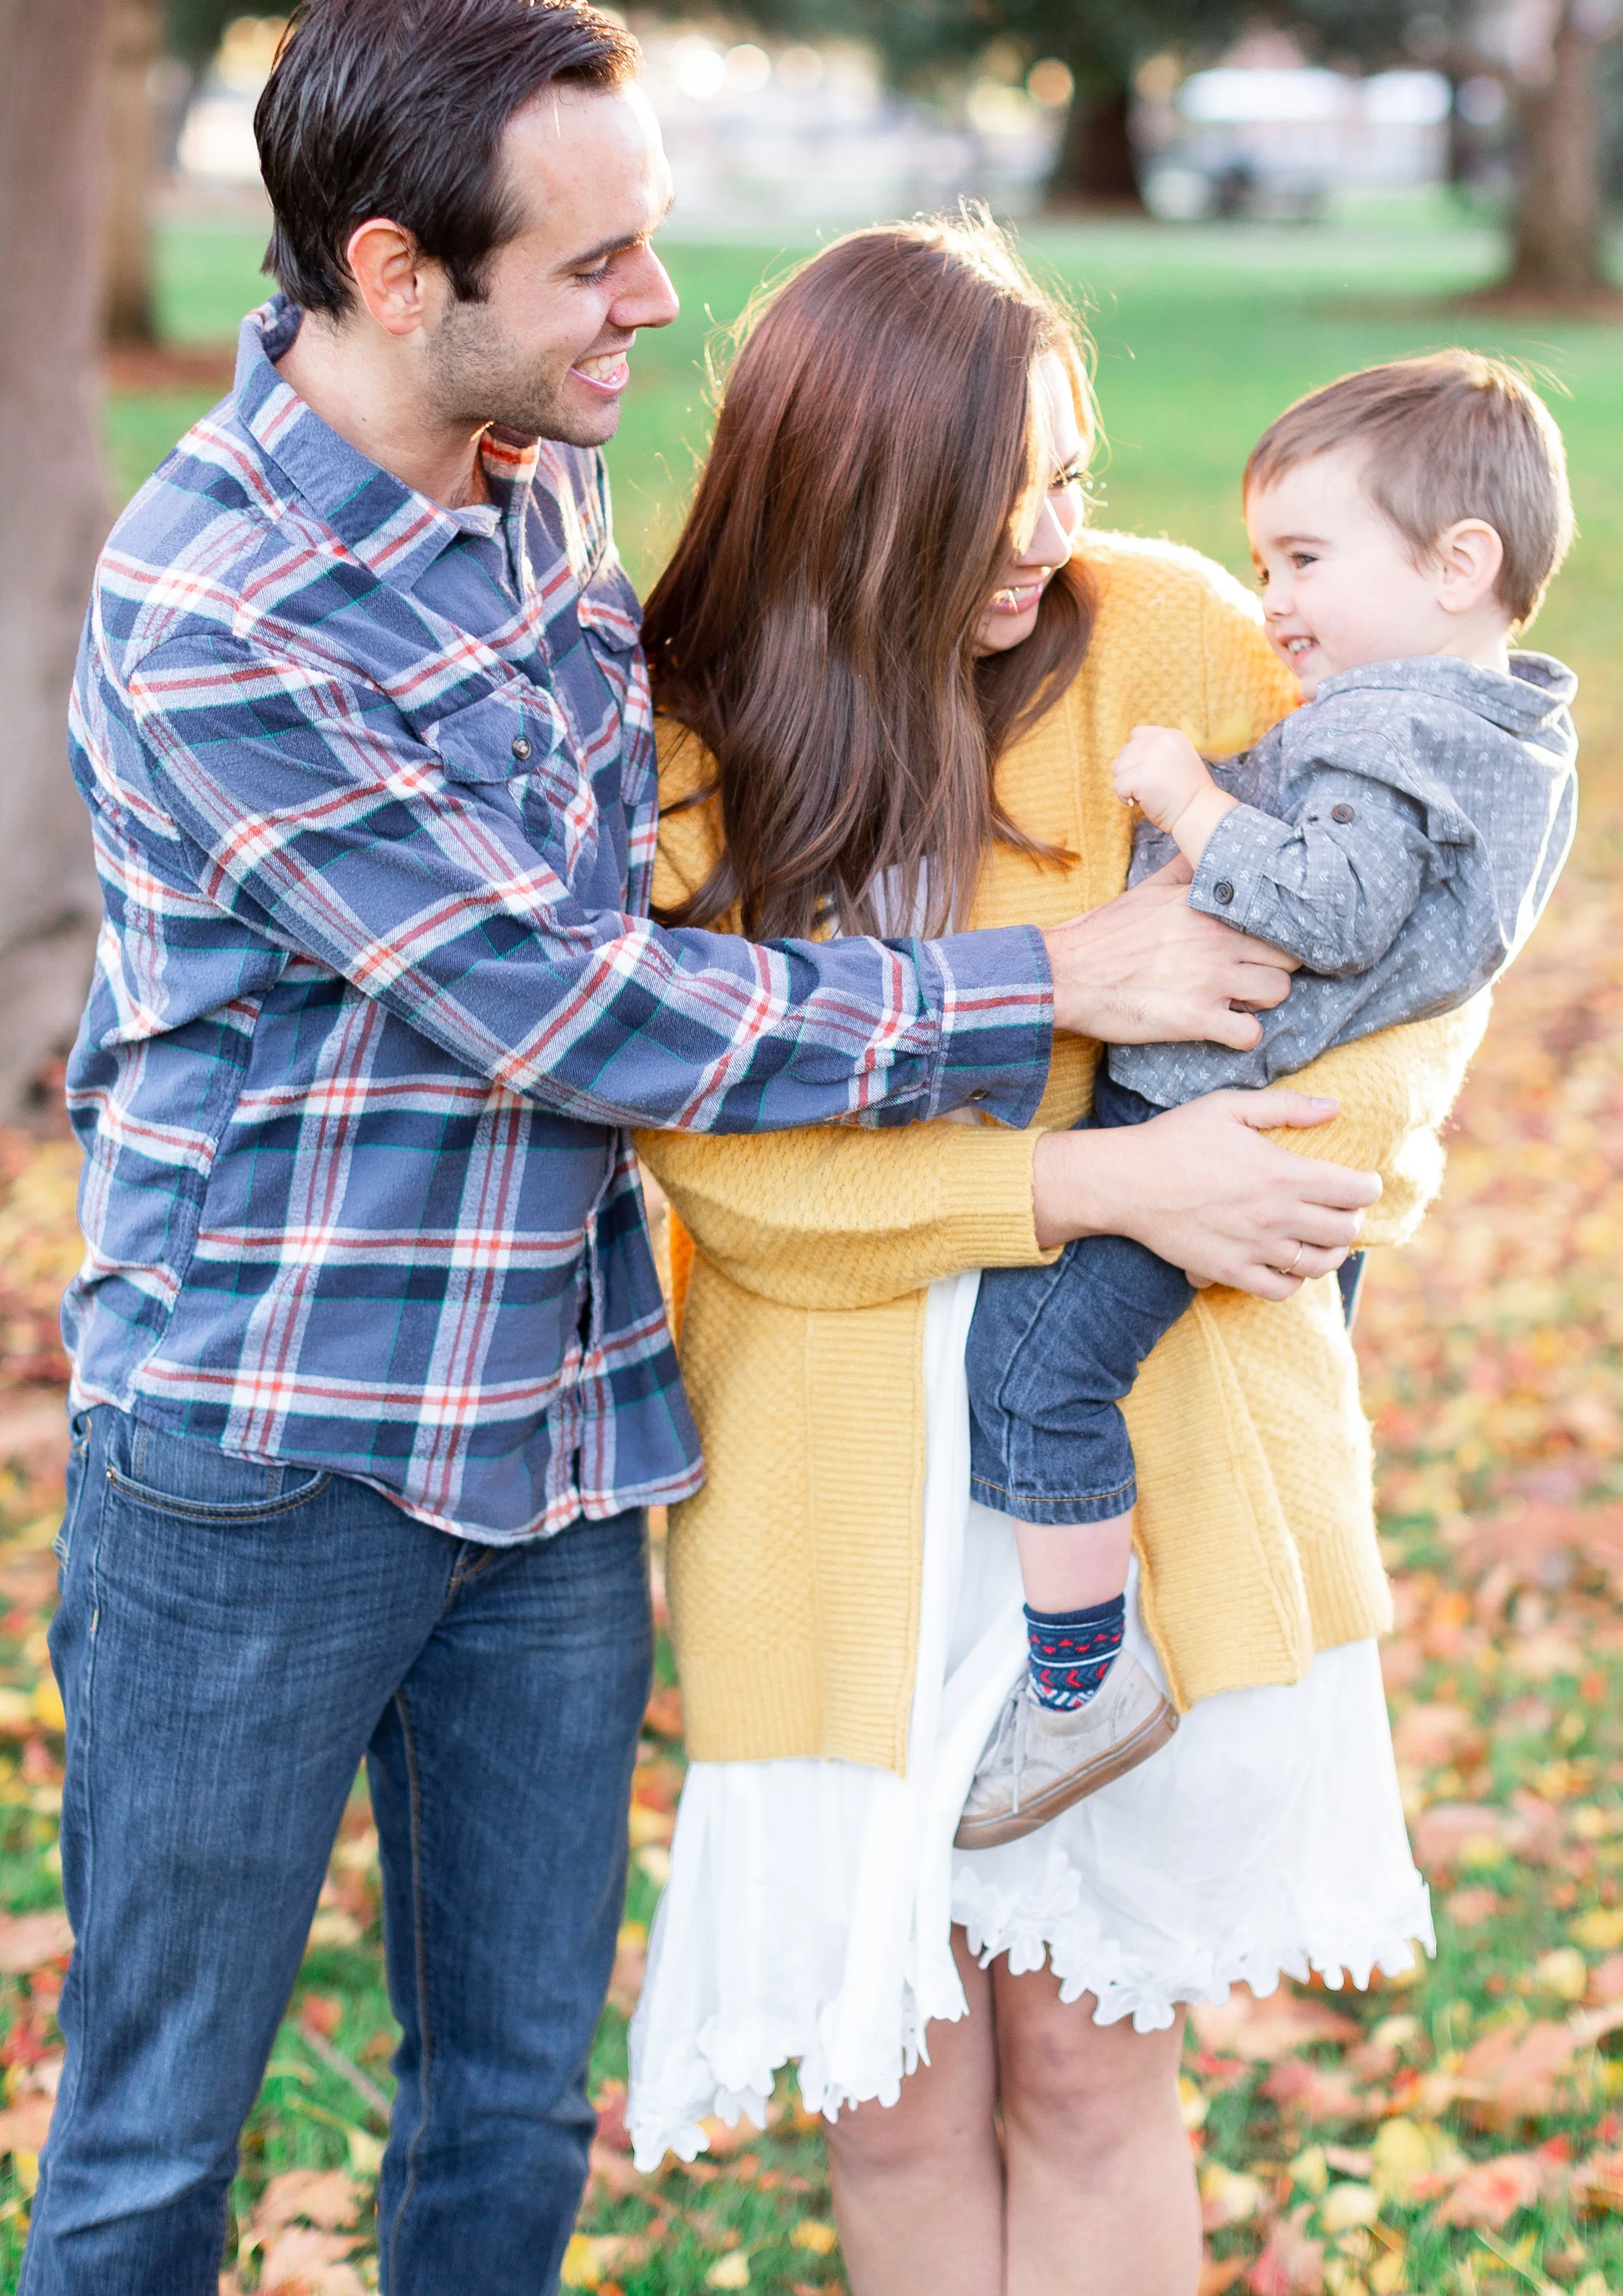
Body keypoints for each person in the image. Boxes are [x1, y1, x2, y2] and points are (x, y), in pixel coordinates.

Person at [26, 0, 1300, 2296]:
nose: (657, 300)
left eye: (651, 229)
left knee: (511, 2093)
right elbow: (577, 1005)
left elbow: (713, 783)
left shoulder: (540, 469)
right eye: (596, 260)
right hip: (273, 1444)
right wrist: (1052, 984)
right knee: (153, 2135)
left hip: (567, 1433)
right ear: (401, 279)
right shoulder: (220, 613)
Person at [627, 214, 1488, 2296]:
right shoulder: (697, 724)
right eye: (986, 505)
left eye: (1069, 481)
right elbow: (717, 1152)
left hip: (1120, 1457)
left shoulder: (1173, 638)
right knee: (899, 2087)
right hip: (826, 1489)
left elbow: (1396, 957)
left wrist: (1296, 1169)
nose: (1043, 543)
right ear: (842, 489)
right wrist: (1107, 1181)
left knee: (1090, 2073)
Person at [955, 352, 1577, 1849]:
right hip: (1234, 1119)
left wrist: (1185, 800)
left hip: (1192, 1124)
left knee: (1032, 1376)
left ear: (1455, 565)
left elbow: (1336, 901)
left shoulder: (1387, 728)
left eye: (1302, 560)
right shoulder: (1500, 735)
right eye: (1259, 563)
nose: (1271, 601)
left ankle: (1075, 1682)